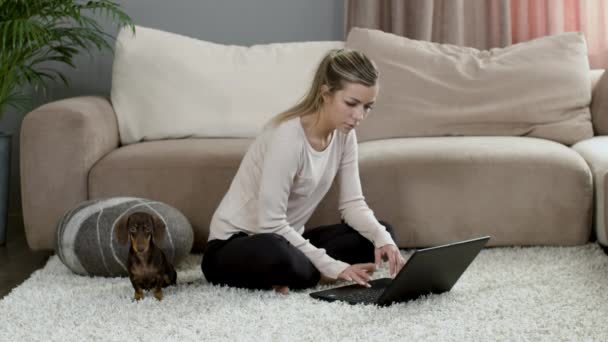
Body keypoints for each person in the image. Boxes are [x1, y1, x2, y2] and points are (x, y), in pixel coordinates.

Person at [201, 48, 406, 294]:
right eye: (351, 103)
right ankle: (316, 274)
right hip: (236, 245)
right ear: (325, 93)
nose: (358, 116)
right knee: (277, 254)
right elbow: (271, 224)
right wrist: (333, 267)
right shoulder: (288, 136)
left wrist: (383, 238)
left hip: (290, 240)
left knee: (380, 234)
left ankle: (301, 274)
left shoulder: (344, 135)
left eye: (367, 107)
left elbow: (353, 204)